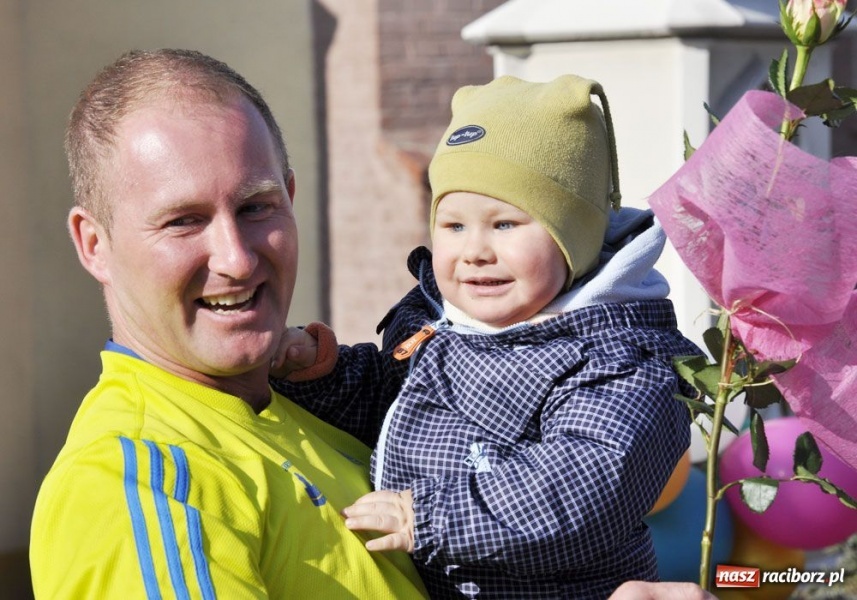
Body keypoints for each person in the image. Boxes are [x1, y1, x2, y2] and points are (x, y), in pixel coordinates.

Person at [272, 75, 702, 598]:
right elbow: (403, 412)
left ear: (576, 239)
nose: (474, 250)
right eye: (453, 226)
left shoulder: (620, 361)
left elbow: (582, 492)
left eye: (504, 225)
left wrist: (429, 518)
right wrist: (326, 374)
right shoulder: (443, 321)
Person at [28, 48, 429, 599]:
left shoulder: (301, 407)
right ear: (95, 245)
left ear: (290, 197)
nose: (236, 259)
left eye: (255, 208)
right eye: (184, 221)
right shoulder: (136, 483)